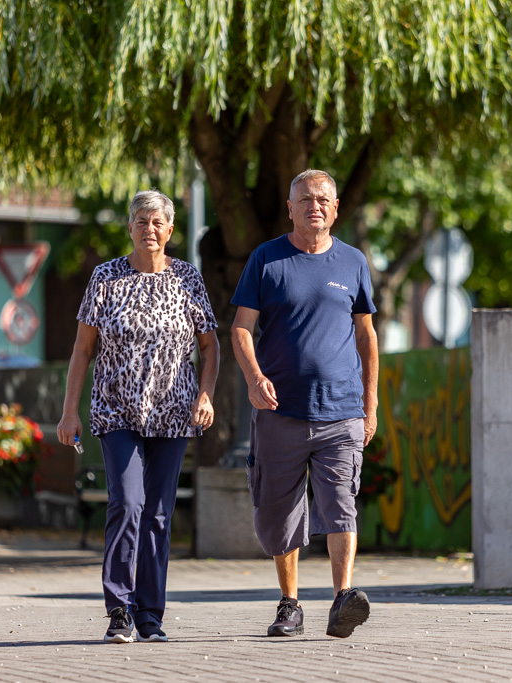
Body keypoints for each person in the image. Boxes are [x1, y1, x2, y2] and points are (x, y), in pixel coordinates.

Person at [57, 190, 219, 644]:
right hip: (116, 410)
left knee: (159, 514)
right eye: (142, 221)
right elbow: (82, 350)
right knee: (128, 503)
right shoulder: (106, 277)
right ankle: (119, 608)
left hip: (173, 412)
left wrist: (206, 395)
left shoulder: (187, 278)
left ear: (170, 230)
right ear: (130, 228)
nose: (150, 229)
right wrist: (69, 411)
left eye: (157, 222)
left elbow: (210, 347)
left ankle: (149, 614)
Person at [230, 169, 378, 639]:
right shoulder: (266, 259)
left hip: (341, 411)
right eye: (306, 200)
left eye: (323, 200)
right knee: (280, 513)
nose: (315, 206)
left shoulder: (353, 262)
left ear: (335, 209)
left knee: (341, 505)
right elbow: (240, 328)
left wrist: (371, 402)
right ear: (290, 208)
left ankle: (343, 599)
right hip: (280, 413)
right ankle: (289, 605)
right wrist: (254, 377)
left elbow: (366, 336)